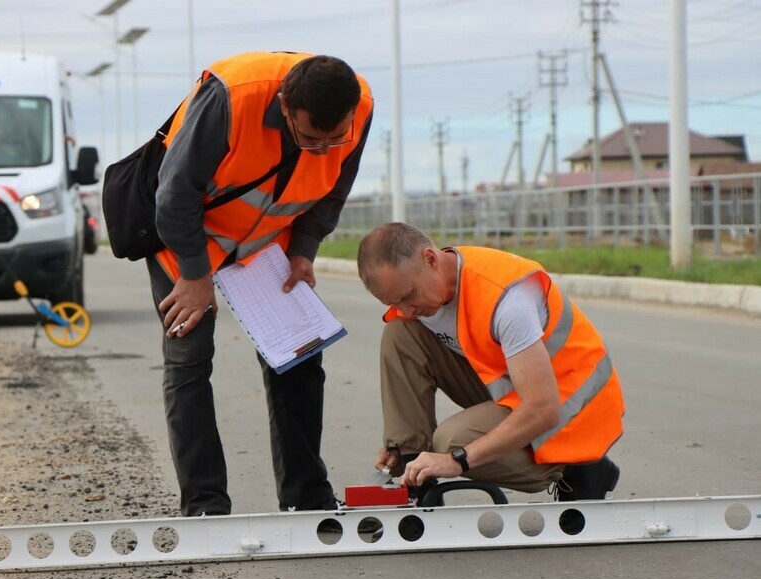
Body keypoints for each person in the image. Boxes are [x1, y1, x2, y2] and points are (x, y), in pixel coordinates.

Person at [147, 52, 374, 516]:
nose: (325, 149)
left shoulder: (361, 105)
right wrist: (194, 276)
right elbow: (173, 196)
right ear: (285, 106)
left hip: (271, 241)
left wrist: (304, 250)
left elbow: (334, 188)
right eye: (311, 137)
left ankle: (307, 500)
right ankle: (206, 507)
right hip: (190, 237)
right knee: (189, 361)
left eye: (337, 137)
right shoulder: (231, 99)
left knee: (300, 356)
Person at [356, 222, 625, 511]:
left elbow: (542, 409)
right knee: (400, 334)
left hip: (570, 411)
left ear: (431, 259)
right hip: (515, 390)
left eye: (408, 295)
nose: (406, 309)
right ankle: (414, 480)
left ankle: (577, 467)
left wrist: (455, 460)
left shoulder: (508, 300)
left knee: (451, 443)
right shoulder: (423, 295)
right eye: (394, 301)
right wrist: (405, 448)